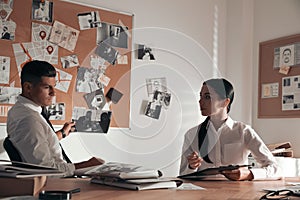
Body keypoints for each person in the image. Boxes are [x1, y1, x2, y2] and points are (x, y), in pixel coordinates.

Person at [7, 60, 104, 177]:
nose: (53, 93)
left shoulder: (21, 110)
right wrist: (87, 165)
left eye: (54, 87)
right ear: (28, 87)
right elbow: (45, 169)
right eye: (47, 87)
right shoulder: (29, 120)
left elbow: (38, 140)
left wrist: (62, 133)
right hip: (55, 182)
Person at [179, 78, 282, 181]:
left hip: (237, 194)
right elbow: (182, 175)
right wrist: (192, 167)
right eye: (200, 96)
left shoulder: (243, 132)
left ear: (225, 102)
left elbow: (276, 169)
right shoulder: (191, 135)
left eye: (207, 97)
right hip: (202, 194)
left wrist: (249, 174)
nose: (200, 101)